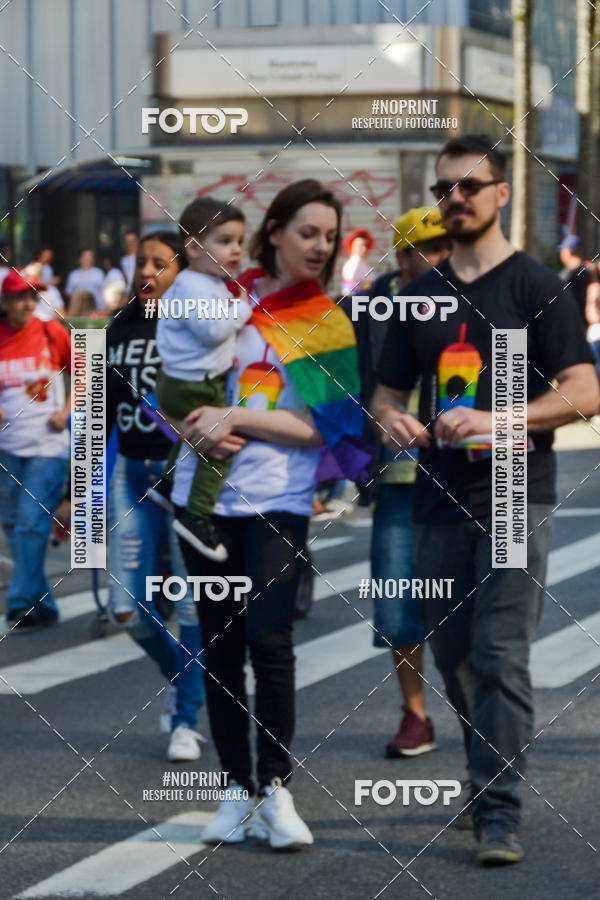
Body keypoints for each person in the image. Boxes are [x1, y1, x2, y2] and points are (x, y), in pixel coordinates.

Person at [372, 134, 599, 866]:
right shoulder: (417, 299)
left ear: (502, 193)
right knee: (455, 657)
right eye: (444, 189)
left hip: (510, 491)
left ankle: (498, 810)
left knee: (502, 654)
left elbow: (585, 391)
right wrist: (394, 421)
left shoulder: (537, 287)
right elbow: (383, 395)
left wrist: (500, 419)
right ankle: (485, 774)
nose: (455, 199)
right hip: (436, 494)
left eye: (470, 186)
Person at [169, 179, 366, 850]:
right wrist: (187, 424)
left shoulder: (324, 321)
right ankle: (234, 790)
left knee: (269, 643)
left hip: (277, 501)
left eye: (329, 236)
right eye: (307, 231)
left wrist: (236, 417)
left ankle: (275, 788)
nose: (320, 245)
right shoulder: (221, 291)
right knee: (219, 647)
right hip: (203, 501)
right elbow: (170, 381)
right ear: (274, 231)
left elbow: (321, 431)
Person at [353, 207, 451, 757]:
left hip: (464, 476)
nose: (440, 257)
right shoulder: (370, 307)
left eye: (446, 246)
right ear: (403, 253)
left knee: (473, 606)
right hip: (397, 478)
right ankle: (415, 714)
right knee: (396, 601)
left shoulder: (472, 299)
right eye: (428, 248)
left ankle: (479, 714)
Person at [106, 231, 206, 762]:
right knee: (128, 607)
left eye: (159, 263)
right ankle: (191, 681)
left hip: (184, 474)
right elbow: (97, 413)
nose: (147, 271)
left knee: (190, 603)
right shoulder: (117, 328)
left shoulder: (196, 323)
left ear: (179, 271)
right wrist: (77, 492)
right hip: (131, 476)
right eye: (140, 262)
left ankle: (186, 720)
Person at [152, 197, 251, 560]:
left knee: (191, 437)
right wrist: (243, 309)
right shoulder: (194, 285)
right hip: (191, 385)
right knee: (220, 446)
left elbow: (202, 340)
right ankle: (196, 515)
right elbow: (212, 330)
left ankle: (167, 484)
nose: (237, 249)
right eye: (225, 241)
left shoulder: (202, 282)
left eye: (240, 241)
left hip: (182, 381)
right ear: (193, 247)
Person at [0, 268, 72, 628]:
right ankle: (43, 603)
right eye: (19, 297)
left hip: (48, 445)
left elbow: (88, 371)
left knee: (30, 522)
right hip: (7, 447)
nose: (27, 303)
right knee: (14, 525)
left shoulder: (50, 330)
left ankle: (19, 601)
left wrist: (66, 410)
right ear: (5, 301)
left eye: (32, 296)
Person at [557, 234, 590, 329]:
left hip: (569, 325)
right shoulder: (590, 271)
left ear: (568, 251)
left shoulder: (569, 273)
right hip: (586, 324)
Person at [341, 227, 375, 294]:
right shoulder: (355, 262)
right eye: (361, 246)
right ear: (353, 246)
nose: (364, 249)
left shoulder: (363, 262)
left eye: (366, 246)